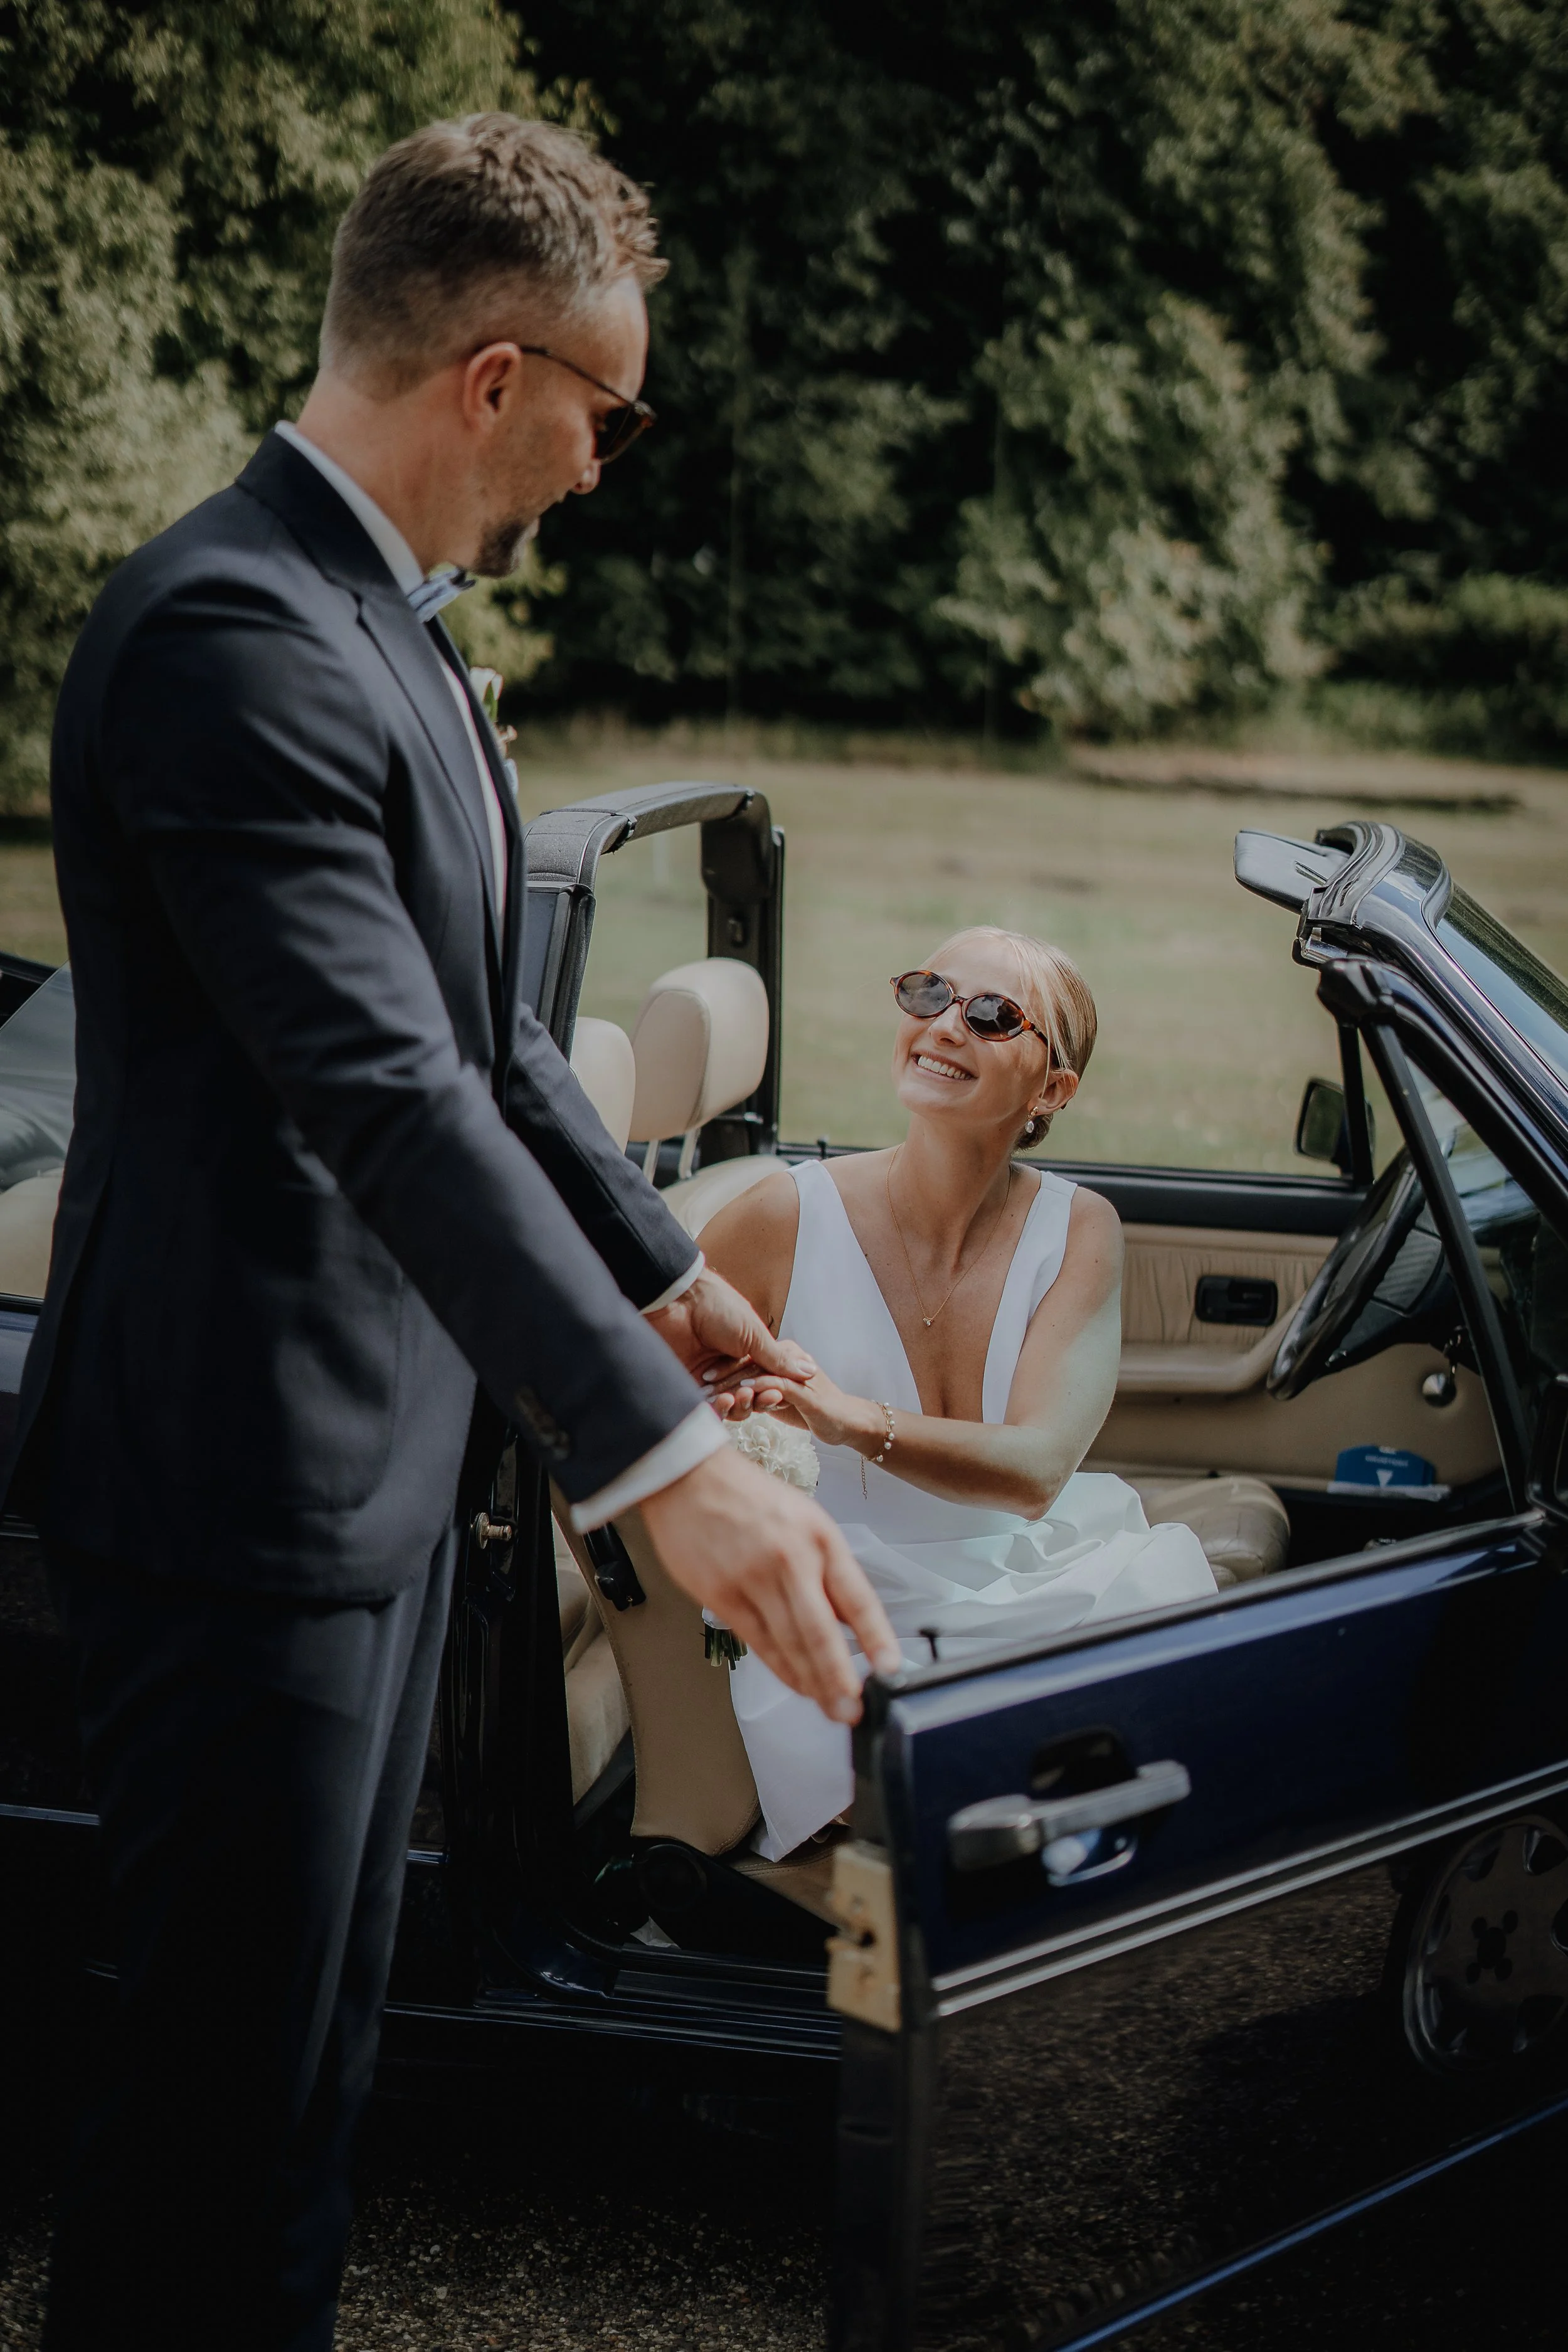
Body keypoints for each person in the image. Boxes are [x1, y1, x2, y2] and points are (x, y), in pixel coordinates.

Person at [8, 114, 898, 2352]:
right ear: (497, 377)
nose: (603, 461)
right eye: (609, 411)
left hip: (379, 1480)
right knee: (212, 2115)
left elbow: (490, 1040)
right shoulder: (228, 633)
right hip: (231, 1490)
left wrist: (670, 1283)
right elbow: (383, 1093)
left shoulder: (387, 632)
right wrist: (665, 1468)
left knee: (315, 2085)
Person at [702, 927, 1217, 1860]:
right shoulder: (783, 1215)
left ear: (1053, 1090)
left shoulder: (1081, 1230)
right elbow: (634, 1385)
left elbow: (1039, 1471)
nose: (945, 1025)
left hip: (1023, 1577)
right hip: (841, 1606)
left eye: (992, 1015)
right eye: (929, 993)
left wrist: (846, 1418)